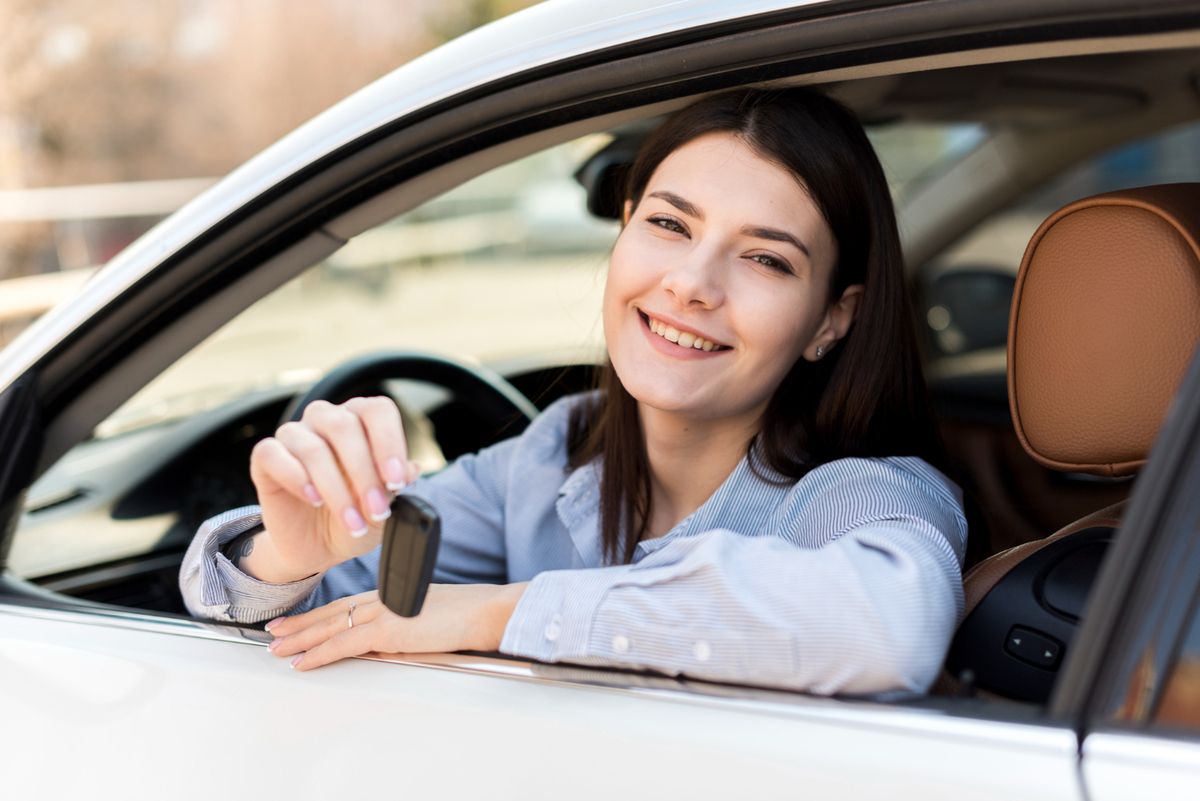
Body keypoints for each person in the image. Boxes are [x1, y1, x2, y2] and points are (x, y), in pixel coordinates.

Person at [180, 87, 967, 696]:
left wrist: (500, 613)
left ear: (833, 317)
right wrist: (292, 549)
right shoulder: (553, 452)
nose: (691, 283)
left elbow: (888, 630)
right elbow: (309, 621)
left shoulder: (863, 494)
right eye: (668, 224)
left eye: (765, 259)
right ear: (623, 227)